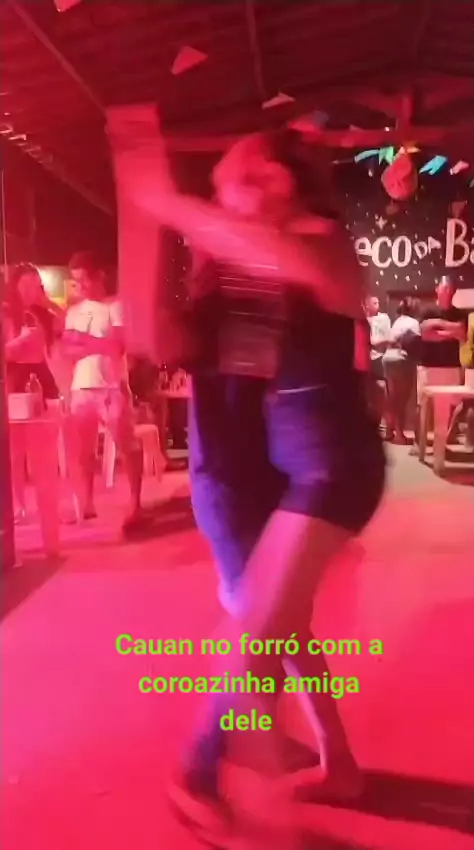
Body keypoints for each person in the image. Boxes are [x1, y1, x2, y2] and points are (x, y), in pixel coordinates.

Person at [108, 112, 386, 842]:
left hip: (323, 472)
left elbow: (293, 263)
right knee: (274, 627)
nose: (220, 198)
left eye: (228, 180)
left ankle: (207, 777)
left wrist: (164, 202)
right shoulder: (236, 281)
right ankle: (331, 765)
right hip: (263, 476)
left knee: (259, 634)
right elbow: (157, 339)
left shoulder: (319, 246)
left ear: (276, 180)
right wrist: (147, 226)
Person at [62, 251, 145, 531]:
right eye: (76, 281)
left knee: (126, 445)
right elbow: (67, 350)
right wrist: (94, 344)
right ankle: (86, 503)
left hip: (111, 386)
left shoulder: (116, 306)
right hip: (81, 387)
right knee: (83, 451)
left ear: (99, 276)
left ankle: (135, 502)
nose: (81, 286)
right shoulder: (74, 312)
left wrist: (83, 340)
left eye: (85, 279)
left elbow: (117, 346)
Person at [3, 264, 64, 520]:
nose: (31, 291)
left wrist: (47, 302)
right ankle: (18, 505)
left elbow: (65, 325)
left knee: (48, 445)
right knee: (16, 450)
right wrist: (22, 340)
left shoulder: (42, 313)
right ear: (15, 287)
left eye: (35, 285)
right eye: (25, 286)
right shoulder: (7, 312)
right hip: (17, 377)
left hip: (42, 375)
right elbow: (4, 351)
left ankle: (50, 505)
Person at [411, 276, 467, 454]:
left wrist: (437, 327)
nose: (448, 292)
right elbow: (425, 334)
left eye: (451, 289)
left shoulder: (460, 314)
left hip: (451, 366)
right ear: (437, 289)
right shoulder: (427, 310)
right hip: (428, 365)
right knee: (423, 406)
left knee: (446, 409)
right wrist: (450, 329)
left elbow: (462, 334)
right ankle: (418, 443)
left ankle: (439, 445)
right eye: (445, 288)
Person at [382, 296, 420, 444]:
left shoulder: (397, 321)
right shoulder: (414, 323)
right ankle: (399, 434)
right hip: (402, 360)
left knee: (392, 398)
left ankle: (388, 431)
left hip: (388, 358)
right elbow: (416, 342)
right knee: (401, 399)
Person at [365, 295, 391, 435]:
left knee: (382, 390)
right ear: (367, 305)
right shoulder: (364, 319)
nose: (377, 305)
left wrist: (374, 343)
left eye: (378, 302)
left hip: (380, 357)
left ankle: (387, 425)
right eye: (374, 303)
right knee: (369, 392)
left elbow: (388, 338)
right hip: (367, 359)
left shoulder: (383, 318)